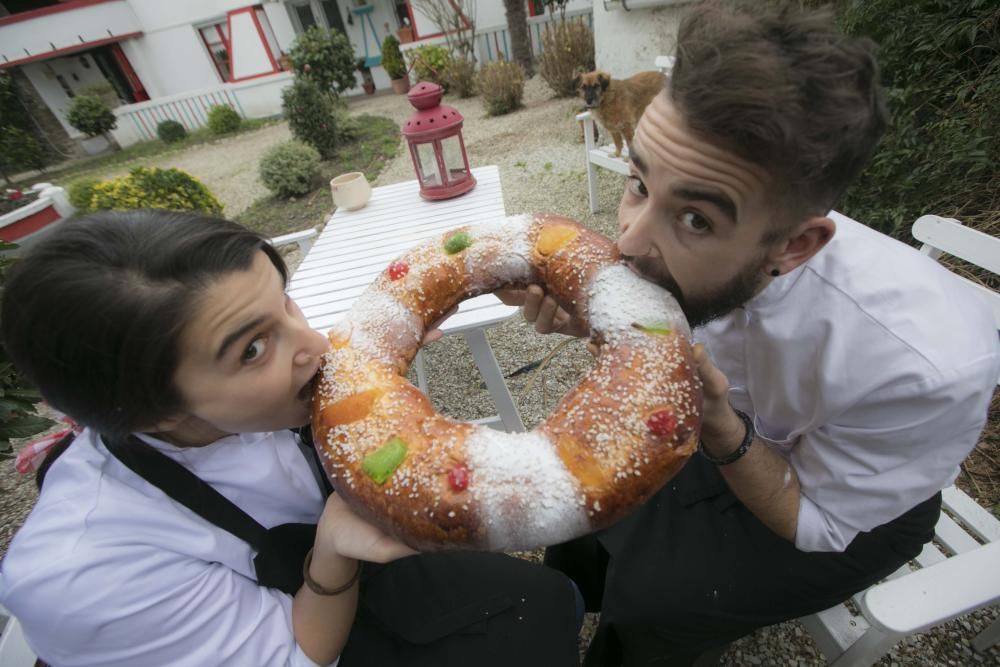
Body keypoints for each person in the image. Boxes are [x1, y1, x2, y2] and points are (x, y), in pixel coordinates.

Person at [498, 1, 1000, 665]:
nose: (627, 245)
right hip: (740, 420)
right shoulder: (707, 255)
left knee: (660, 597)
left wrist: (717, 422)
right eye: (640, 182)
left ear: (794, 246)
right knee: (589, 494)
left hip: (849, 501)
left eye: (697, 220)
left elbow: (816, 518)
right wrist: (585, 318)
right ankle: (567, 599)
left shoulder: (924, 366)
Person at [0, 210, 582, 667]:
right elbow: (297, 657)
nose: (318, 346)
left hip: (370, 574)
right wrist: (330, 554)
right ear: (151, 416)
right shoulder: (88, 577)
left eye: (284, 302)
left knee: (551, 600)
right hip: (317, 626)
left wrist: (379, 384)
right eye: (254, 348)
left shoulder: (238, 396)